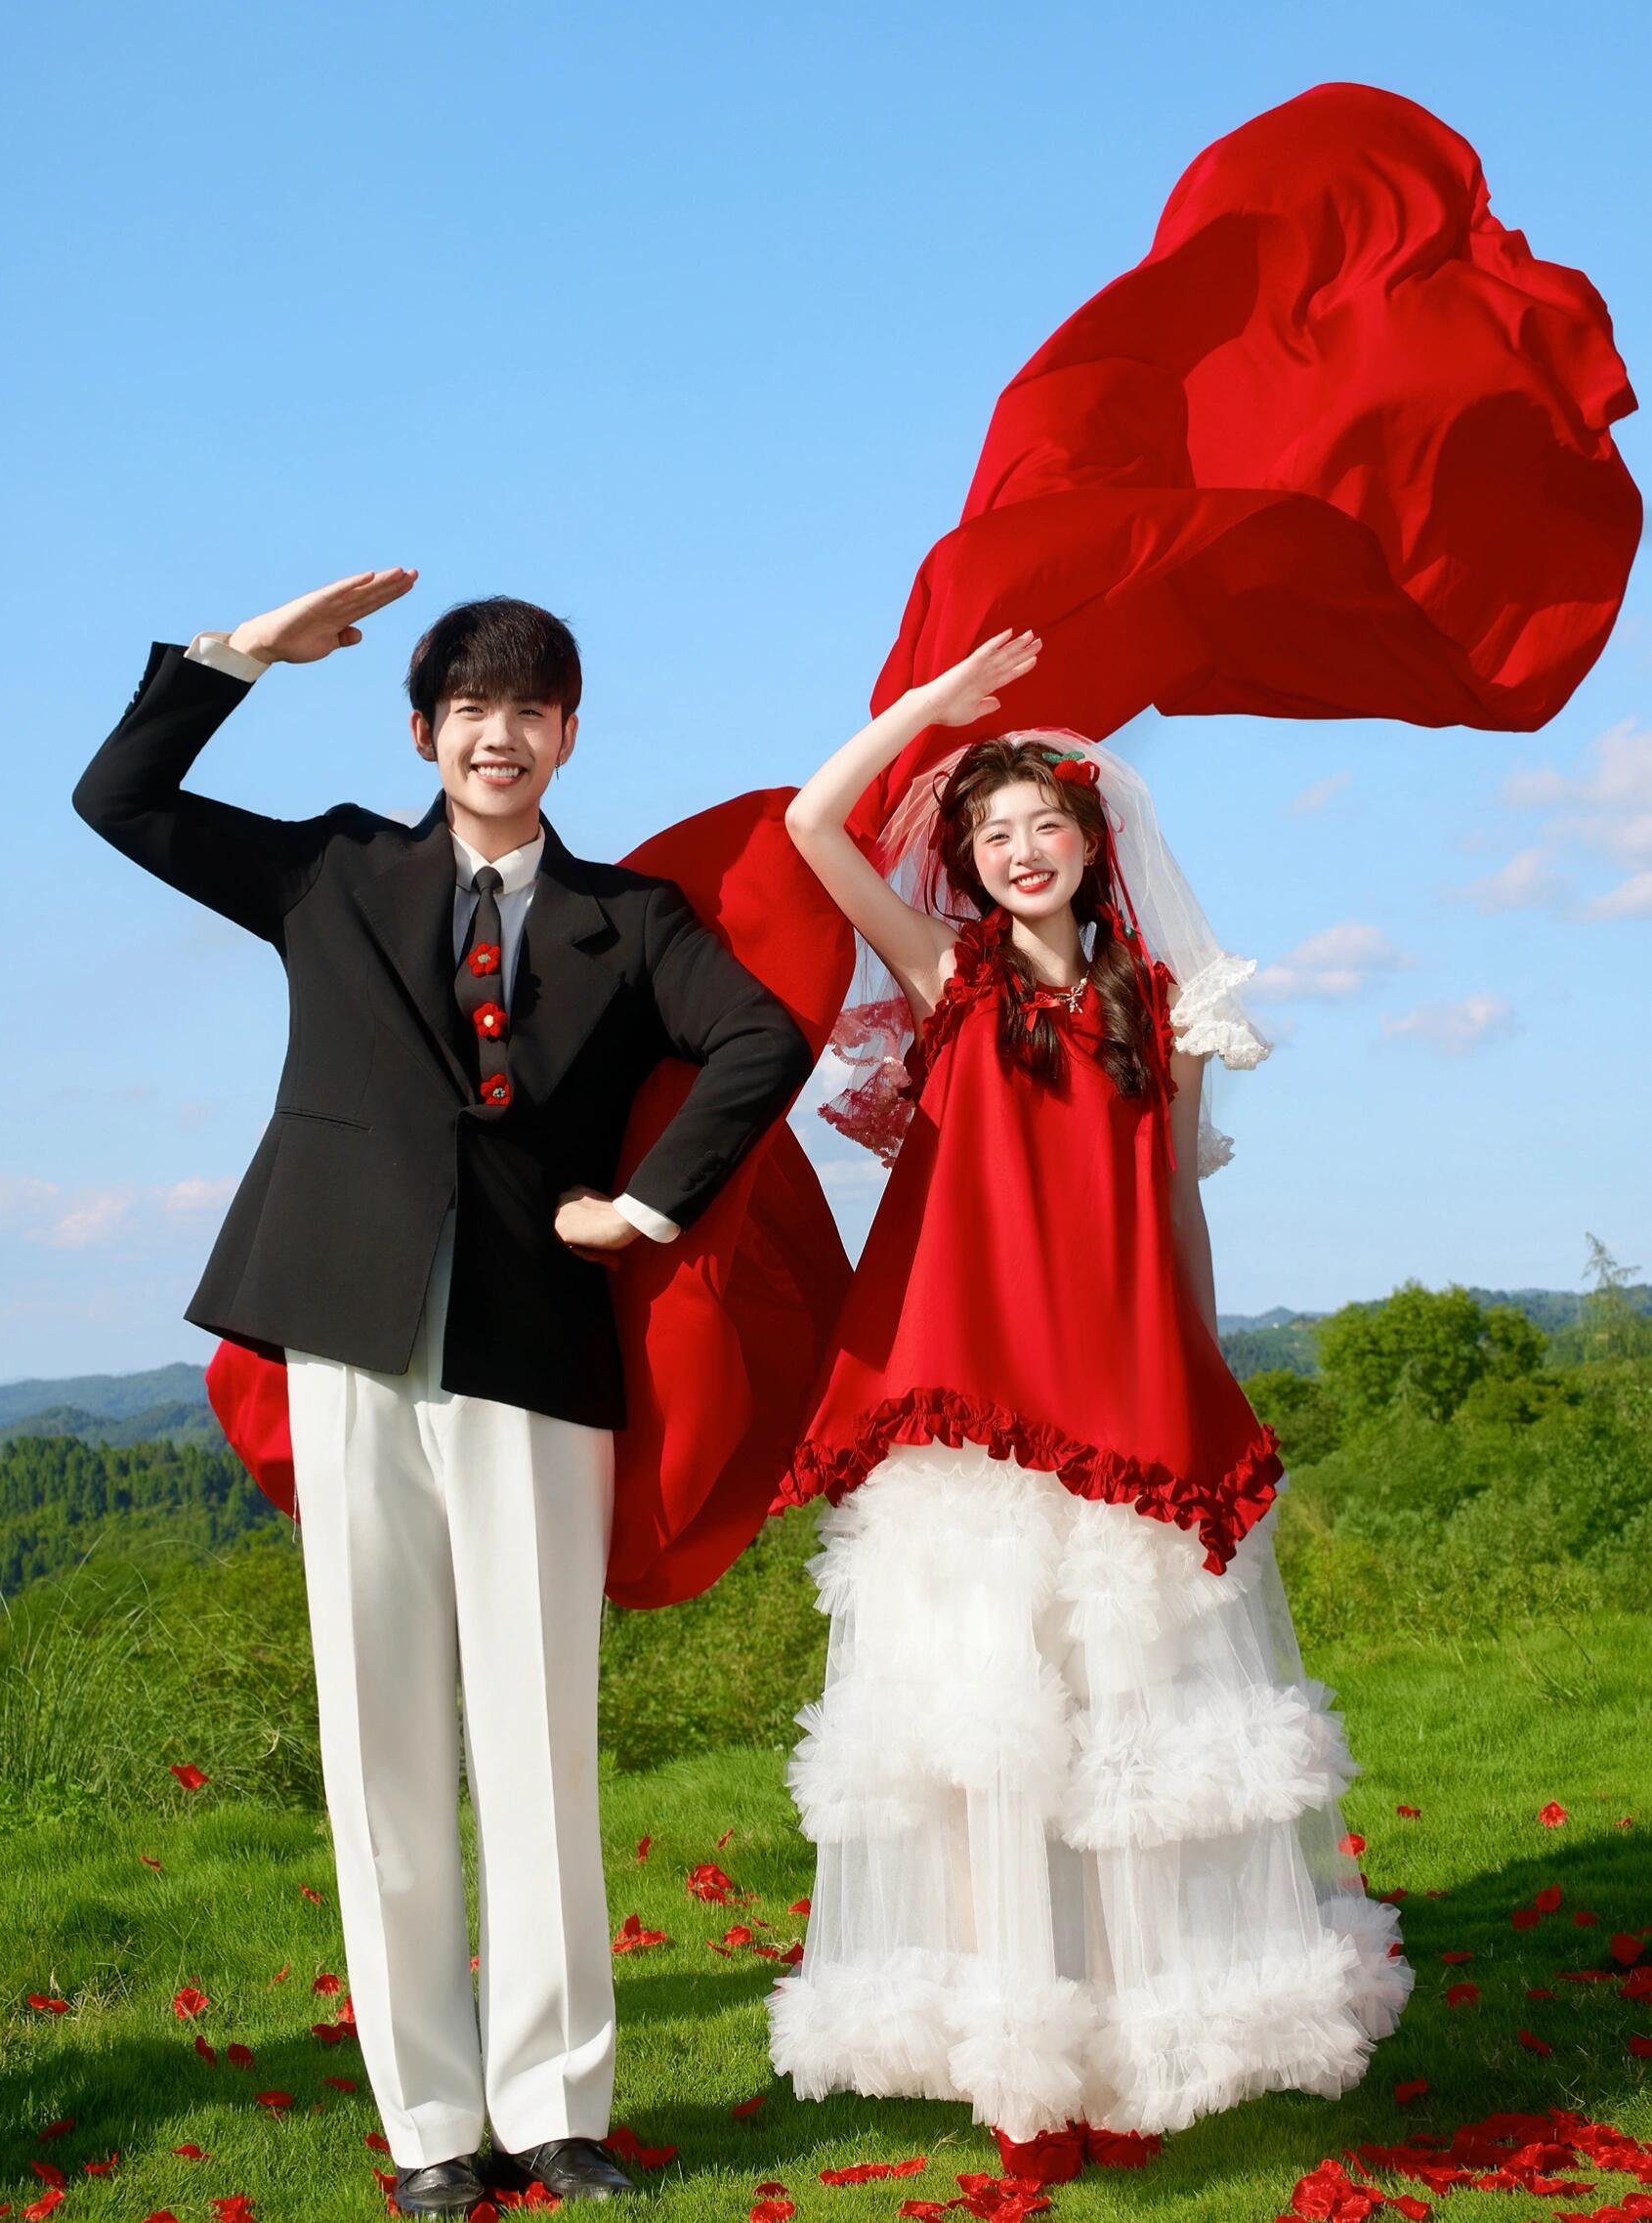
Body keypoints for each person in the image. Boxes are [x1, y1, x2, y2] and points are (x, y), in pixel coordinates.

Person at [72, 571, 814, 2215]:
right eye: (472, 707)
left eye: (530, 709)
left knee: (539, 1742)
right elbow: (118, 799)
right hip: (348, 1344)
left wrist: (647, 1207)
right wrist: (240, 658)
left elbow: (760, 1041)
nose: (500, 734)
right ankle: (428, 2133)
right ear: (424, 732)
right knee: (380, 1744)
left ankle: (555, 2112)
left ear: (567, 736)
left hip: (535, 1358)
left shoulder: (634, 920)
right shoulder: (332, 869)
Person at [765, 629, 1412, 2179]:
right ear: (967, 865)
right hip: (974, 1406)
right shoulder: (947, 976)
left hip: (1122, 1391)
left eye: (1041, 823)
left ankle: (1137, 2048)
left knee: (1131, 1729)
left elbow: (1171, 1202)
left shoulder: (1167, 1007)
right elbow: (809, 826)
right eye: (991, 832)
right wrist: (928, 712)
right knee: (987, 1732)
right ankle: (1016, 2071)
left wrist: (1197, 1352)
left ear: (1088, 840)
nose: (1019, 849)